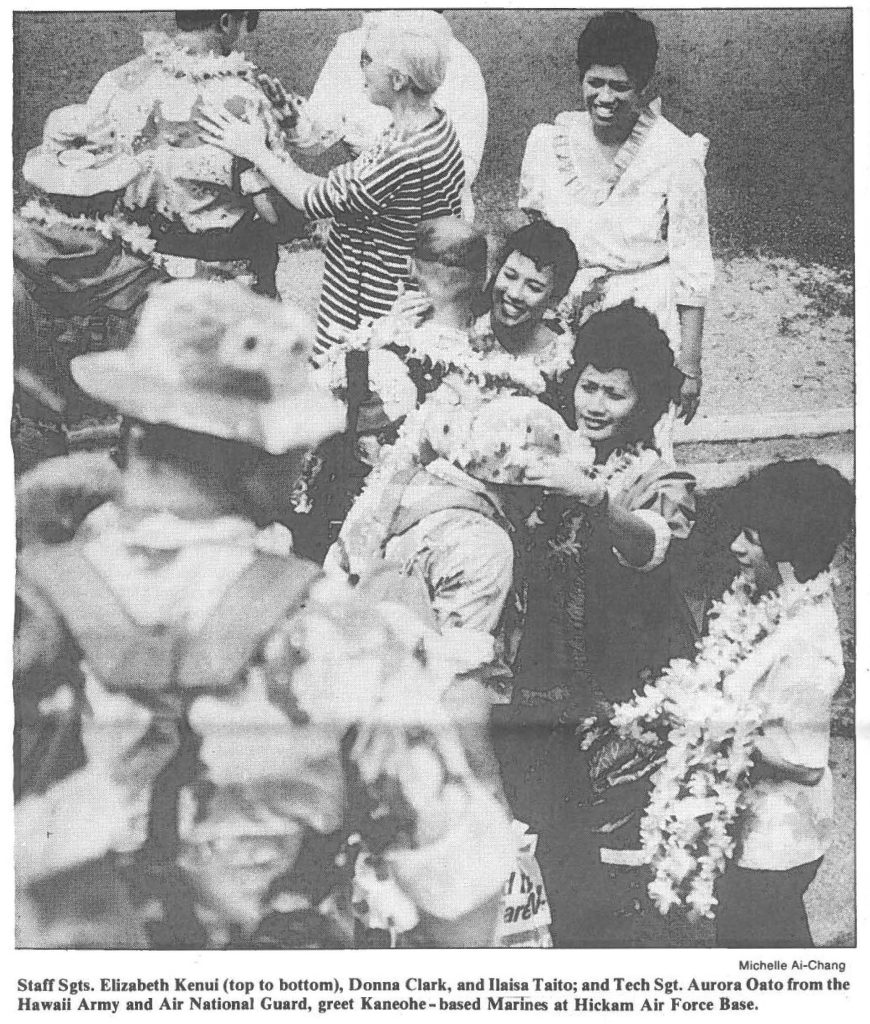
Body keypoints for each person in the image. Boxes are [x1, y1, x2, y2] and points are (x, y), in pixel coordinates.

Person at [14, 281, 517, 949]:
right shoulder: (346, 635)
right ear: (281, 457)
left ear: (130, 431)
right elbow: (464, 903)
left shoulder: (24, 605)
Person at [493, 300, 699, 947]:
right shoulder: (552, 449)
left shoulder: (657, 475)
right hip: (540, 679)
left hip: (621, 691)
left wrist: (597, 500)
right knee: (538, 838)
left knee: (611, 863)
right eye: (589, 384)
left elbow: (653, 543)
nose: (597, 402)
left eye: (616, 392)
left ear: (644, 402)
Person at [197, 13, 465, 354]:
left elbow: (313, 200)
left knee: (353, 389)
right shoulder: (433, 126)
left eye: (366, 61)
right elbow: (349, 189)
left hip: (372, 305)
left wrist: (255, 150)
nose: (360, 70)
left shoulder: (402, 153)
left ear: (398, 79)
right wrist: (294, 126)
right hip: (395, 289)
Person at [519, 10, 714, 425]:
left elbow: (692, 264)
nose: (605, 97)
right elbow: (533, 239)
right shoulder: (547, 142)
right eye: (595, 83)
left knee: (632, 437)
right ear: (580, 80)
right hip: (565, 312)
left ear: (641, 87)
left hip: (642, 317)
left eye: (620, 86)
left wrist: (690, 365)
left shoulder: (675, 155)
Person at [713, 460, 852, 948]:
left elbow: (808, 764)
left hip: (779, 840)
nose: (736, 547)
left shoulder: (807, 640)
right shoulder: (774, 606)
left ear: (789, 548)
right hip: (753, 826)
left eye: (750, 537)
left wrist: (712, 739)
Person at [84, 10, 306, 296]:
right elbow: (275, 213)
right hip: (226, 283)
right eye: (242, 23)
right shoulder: (244, 97)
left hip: (138, 280)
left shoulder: (115, 83)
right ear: (225, 22)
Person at [301, 10, 488, 220]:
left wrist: (376, 177)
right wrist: (293, 121)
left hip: (432, 219)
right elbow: (316, 137)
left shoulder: (454, 60)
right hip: (362, 199)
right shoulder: (352, 46)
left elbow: (461, 172)